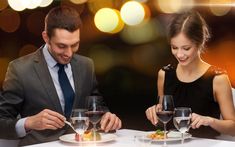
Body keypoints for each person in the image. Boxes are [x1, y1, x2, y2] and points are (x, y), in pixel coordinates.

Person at [0, 6, 121, 146]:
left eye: (75, 45)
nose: (69, 53)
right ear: (46, 37)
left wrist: (107, 117)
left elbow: (95, 106)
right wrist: (29, 122)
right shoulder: (20, 69)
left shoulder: (86, 65)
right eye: (62, 46)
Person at [145, 11, 235, 138]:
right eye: (174, 47)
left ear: (200, 42)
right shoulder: (164, 74)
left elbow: (233, 128)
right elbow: (163, 124)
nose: (179, 54)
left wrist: (210, 121)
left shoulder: (217, 78)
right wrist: (154, 112)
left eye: (186, 48)